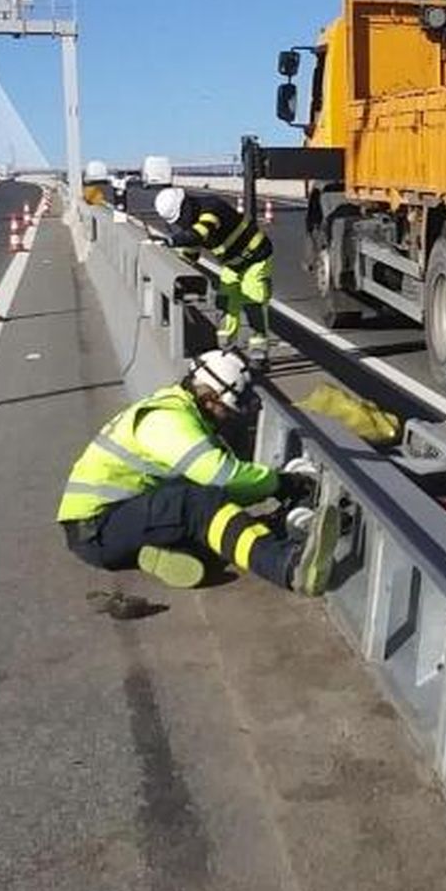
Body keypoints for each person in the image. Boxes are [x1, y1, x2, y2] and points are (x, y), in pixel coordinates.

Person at [57, 349, 338, 594]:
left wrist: (271, 487)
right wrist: (280, 483)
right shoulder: (166, 421)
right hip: (97, 529)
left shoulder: (177, 408)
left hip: (110, 525)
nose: (230, 416)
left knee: (210, 512)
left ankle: (171, 553)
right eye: (228, 408)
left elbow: (224, 488)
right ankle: (290, 568)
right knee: (198, 505)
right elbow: (223, 477)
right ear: (211, 399)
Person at [155, 184, 273, 361]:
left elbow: (200, 233)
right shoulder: (193, 220)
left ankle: (259, 349)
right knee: (225, 301)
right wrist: (177, 269)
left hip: (256, 257)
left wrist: (171, 241)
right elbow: (191, 251)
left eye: (180, 218)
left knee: (252, 299)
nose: (181, 223)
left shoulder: (211, 208)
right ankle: (225, 347)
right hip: (233, 265)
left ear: (186, 205)